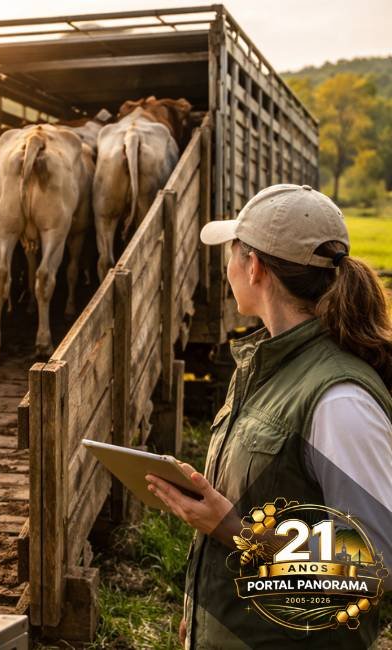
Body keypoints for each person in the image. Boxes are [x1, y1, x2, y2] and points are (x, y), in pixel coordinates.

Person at [144, 184, 392, 648]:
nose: (227, 267)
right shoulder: (266, 364)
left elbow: (377, 564)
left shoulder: (339, 399)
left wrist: (233, 529)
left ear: (254, 267)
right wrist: (198, 618)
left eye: (232, 252)